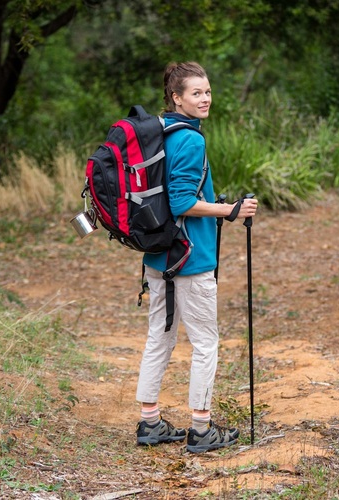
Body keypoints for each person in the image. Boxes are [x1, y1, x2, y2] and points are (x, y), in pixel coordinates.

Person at [135, 61, 258, 452]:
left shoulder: (161, 135)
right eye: (196, 93)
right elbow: (183, 201)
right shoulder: (191, 140)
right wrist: (230, 210)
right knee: (206, 342)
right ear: (177, 97)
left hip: (159, 256)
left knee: (160, 338)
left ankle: (149, 422)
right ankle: (202, 429)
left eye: (207, 91)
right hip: (191, 257)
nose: (205, 99)